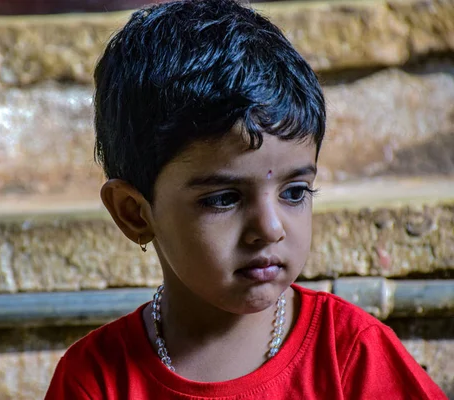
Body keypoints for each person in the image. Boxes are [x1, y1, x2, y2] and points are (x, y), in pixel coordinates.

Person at [45, 0, 447, 398]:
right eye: (223, 199)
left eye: (294, 192)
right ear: (135, 213)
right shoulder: (96, 381)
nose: (270, 228)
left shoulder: (352, 354)